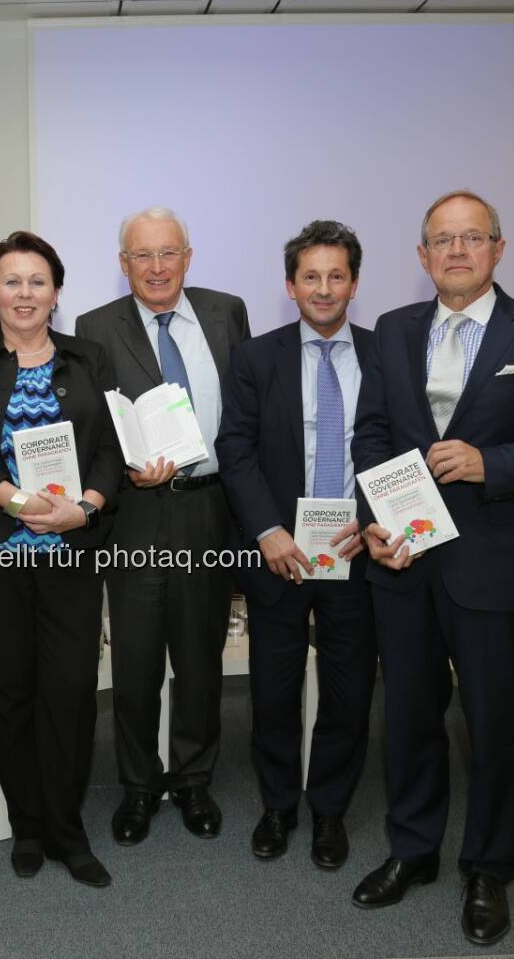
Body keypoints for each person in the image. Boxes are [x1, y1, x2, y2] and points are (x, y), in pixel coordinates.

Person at [350, 190, 514, 945]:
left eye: (472, 238)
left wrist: (488, 462)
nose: (456, 251)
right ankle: (413, 850)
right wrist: (373, 525)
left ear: (499, 249)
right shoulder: (395, 332)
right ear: (422, 256)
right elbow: (371, 437)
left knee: (495, 725)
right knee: (406, 719)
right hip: (404, 564)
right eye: (442, 240)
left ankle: (489, 869)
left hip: (497, 567)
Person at [0, 231, 122, 886]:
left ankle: (68, 830)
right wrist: (13, 498)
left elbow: (111, 448)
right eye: (11, 281)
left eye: (37, 281)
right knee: (10, 693)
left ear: (56, 293)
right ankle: (29, 824)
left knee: (69, 694)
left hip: (71, 547)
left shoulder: (89, 357)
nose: (24, 293)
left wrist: (88, 504)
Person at [75, 207, 249, 845]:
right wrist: (124, 473)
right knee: (139, 659)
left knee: (202, 655)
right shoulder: (96, 327)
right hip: (138, 513)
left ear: (188, 256)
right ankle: (140, 786)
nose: (156, 267)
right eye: (141, 256)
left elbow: (246, 409)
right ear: (123, 265)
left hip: (209, 507)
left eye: (167, 253)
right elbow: (95, 428)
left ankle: (195, 779)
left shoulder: (227, 312)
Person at [216, 220, 378, 870]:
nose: (324, 288)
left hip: (356, 550)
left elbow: (400, 447)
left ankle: (329, 811)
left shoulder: (383, 354)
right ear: (290, 285)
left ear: (354, 283)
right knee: (274, 690)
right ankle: (279, 805)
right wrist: (267, 531)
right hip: (279, 554)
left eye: (336, 275)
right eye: (310, 276)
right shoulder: (257, 357)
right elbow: (237, 449)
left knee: (348, 692)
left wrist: (371, 520)